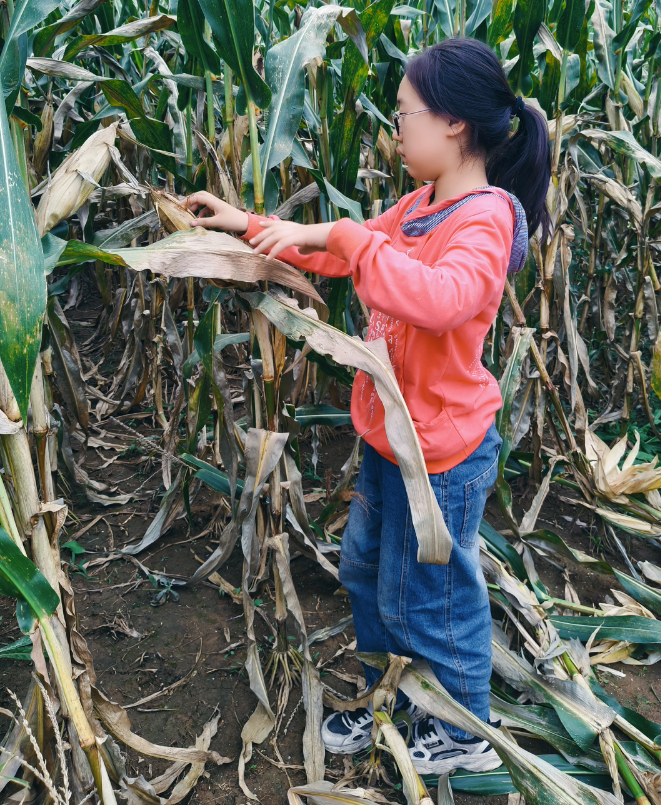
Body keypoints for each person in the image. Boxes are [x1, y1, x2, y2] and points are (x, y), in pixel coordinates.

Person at [184, 38, 551, 776]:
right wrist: (245, 225)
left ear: (452, 124)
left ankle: (463, 726)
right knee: (365, 571)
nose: (396, 130)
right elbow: (334, 248)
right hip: (393, 438)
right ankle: (395, 694)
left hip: (442, 453)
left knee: (435, 591)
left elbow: (443, 300)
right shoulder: (419, 206)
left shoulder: (484, 221)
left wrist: (356, 240)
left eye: (404, 114)